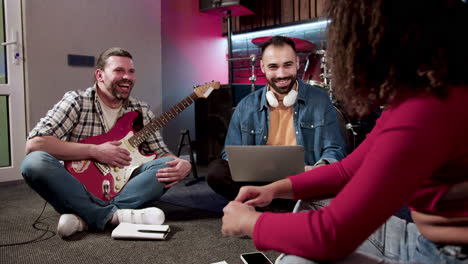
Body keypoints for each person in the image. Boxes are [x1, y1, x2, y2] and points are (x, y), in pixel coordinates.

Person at [221, 0, 468, 263]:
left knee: (296, 261)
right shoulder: (419, 99)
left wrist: (251, 223)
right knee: (317, 203)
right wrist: (273, 189)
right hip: (422, 238)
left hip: (446, 255)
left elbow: (332, 235)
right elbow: (346, 171)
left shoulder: (424, 110)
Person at [21, 47, 192, 238]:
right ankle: (112, 215)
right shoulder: (76, 101)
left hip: (123, 183)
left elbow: (160, 153)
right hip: (80, 186)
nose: (127, 76)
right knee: (34, 162)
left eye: (131, 72)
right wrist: (94, 151)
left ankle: (84, 217)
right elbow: (35, 144)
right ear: (100, 75)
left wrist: (182, 164)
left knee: (165, 166)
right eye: (119, 71)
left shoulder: (141, 109)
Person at [206, 36, 347, 200]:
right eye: (273, 67)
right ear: (262, 67)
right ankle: (287, 208)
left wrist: (321, 166)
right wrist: (242, 166)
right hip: (260, 182)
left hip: (302, 181)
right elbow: (229, 154)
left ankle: (266, 206)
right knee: (216, 171)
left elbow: (335, 148)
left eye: (288, 65)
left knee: (333, 178)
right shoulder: (245, 106)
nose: (281, 74)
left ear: (297, 63)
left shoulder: (320, 101)